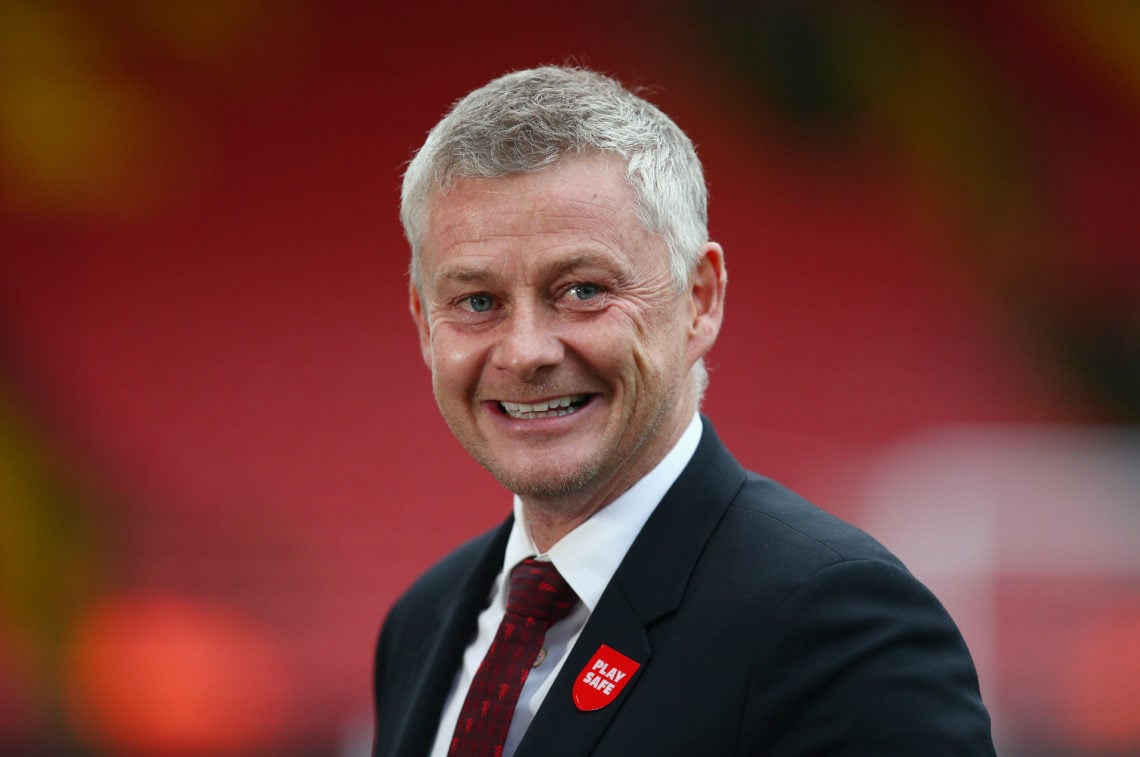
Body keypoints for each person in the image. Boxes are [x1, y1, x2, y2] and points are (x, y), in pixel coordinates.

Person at [372, 66, 994, 756]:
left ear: (699, 299)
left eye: (581, 289)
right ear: (425, 324)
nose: (525, 352)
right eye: (477, 302)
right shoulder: (423, 622)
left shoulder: (835, 625)